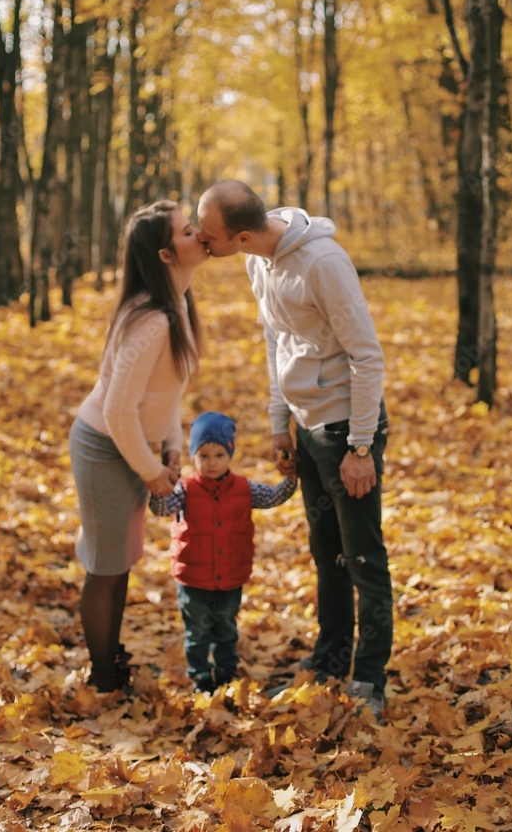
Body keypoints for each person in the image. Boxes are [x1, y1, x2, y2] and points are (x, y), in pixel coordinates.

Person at [196, 180, 391, 720]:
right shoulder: (256, 261)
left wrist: (359, 446)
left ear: (239, 235)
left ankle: (370, 681)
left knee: (364, 559)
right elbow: (275, 339)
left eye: (208, 236)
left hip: (346, 431)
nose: (200, 241)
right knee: (327, 557)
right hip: (307, 430)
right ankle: (330, 660)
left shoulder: (323, 263)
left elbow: (367, 356)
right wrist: (281, 423)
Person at [68, 201, 208, 692]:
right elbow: (117, 410)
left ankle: (109, 653)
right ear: (167, 254)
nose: (202, 235)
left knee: (121, 557)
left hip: (132, 444)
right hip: (105, 446)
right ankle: (102, 675)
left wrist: (171, 446)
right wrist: (151, 470)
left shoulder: (179, 304)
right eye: (190, 231)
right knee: (106, 564)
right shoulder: (151, 321)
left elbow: (163, 393)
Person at [150, 411, 297, 693]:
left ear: (230, 455)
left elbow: (274, 497)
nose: (211, 462)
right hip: (194, 579)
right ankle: (201, 678)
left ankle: (227, 675)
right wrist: (158, 484)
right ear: (193, 458)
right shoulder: (185, 489)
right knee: (197, 633)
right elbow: (162, 508)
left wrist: (291, 478)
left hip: (230, 576)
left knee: (226, 628)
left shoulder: (244, 488)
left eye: (218, 455)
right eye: (203, 456)